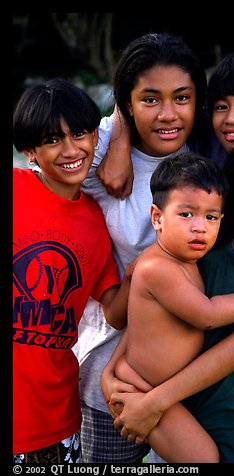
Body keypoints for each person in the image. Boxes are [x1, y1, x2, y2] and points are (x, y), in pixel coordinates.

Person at [106, 118, 234, 463]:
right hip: (178, 412)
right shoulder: (206, 248)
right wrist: (111, 374)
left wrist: (152, 401)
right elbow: (148, 318)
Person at [72, 32, 216, 463]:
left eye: (183, 98)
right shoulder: (95, 151)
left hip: (195, 375)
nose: (168, 114)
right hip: (115, 376)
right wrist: (117, 136)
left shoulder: (213, 156)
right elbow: (47, 164)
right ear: (128, 103)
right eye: (150, 99)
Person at [13, 78, 133, 464]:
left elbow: (114, 311)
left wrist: (147, 268)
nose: (70, 149)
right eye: (52, 140)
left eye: (79, 133)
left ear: (96, 137)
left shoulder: (96, 223)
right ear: (29, 151)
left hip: (55, 419)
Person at [99, 50, 234, 198]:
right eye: (220, 107)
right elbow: (134, 96)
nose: (231, 118)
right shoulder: (205, 141)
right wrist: (119, 143)